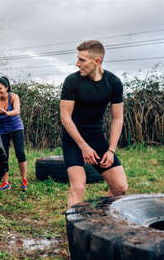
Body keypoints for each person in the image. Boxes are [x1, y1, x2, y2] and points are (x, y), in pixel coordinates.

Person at [60, 40, 128, 209]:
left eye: (82, 60)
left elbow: (117, 119)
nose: (77, 64)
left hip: (97, 138)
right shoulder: (72, 81)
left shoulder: (113, 83)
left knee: (120, 187)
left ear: (97, 61)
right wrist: (83, 147)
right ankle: (73, 233)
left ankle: (99, 216)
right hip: (73, 139)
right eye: (78, 59)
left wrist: (111, 149)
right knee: (78, 187)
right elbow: (65, 117)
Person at [0, 77, 28, 191]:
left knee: (20, 153)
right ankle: (5, 183)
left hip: (16, 127)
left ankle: (24, 180)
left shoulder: (13, 96)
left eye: (0, 88)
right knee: (4, 155)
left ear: (6, 88)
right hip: (2, 129)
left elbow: (17, 110)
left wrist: (8, 113)